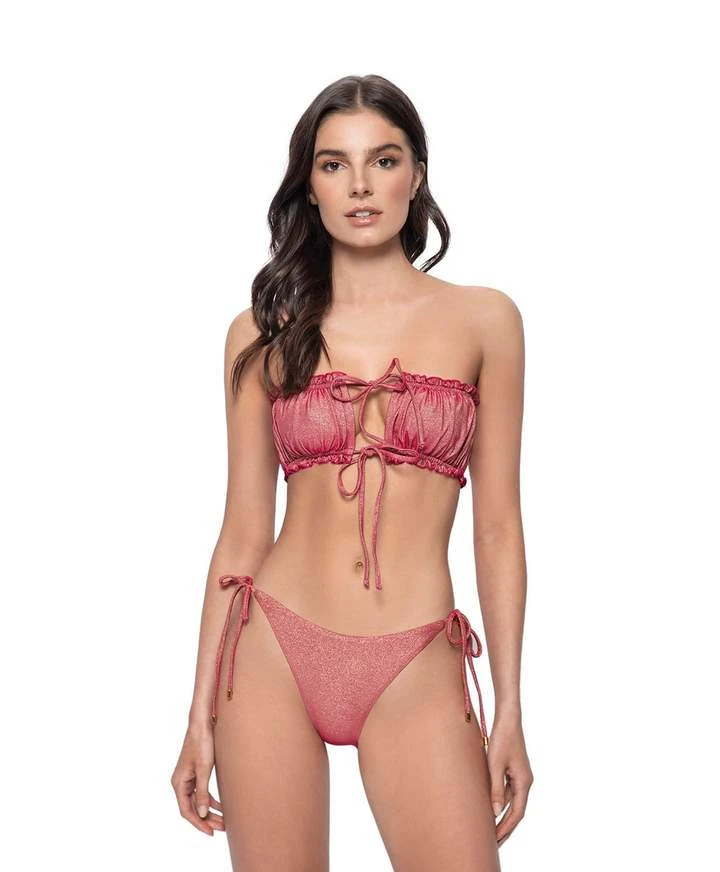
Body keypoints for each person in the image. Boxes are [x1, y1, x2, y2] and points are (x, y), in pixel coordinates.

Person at [171, 73, 533, 871]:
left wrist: (509, 706)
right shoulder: (261, 333)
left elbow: (498, 526)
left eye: (384, 160)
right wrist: (197, 714)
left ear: (417, 175)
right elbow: (241, 533)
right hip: (271, 651)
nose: (361, 185)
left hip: (415, 660)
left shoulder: (485, 320)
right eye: (334, 164)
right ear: (310, 186)